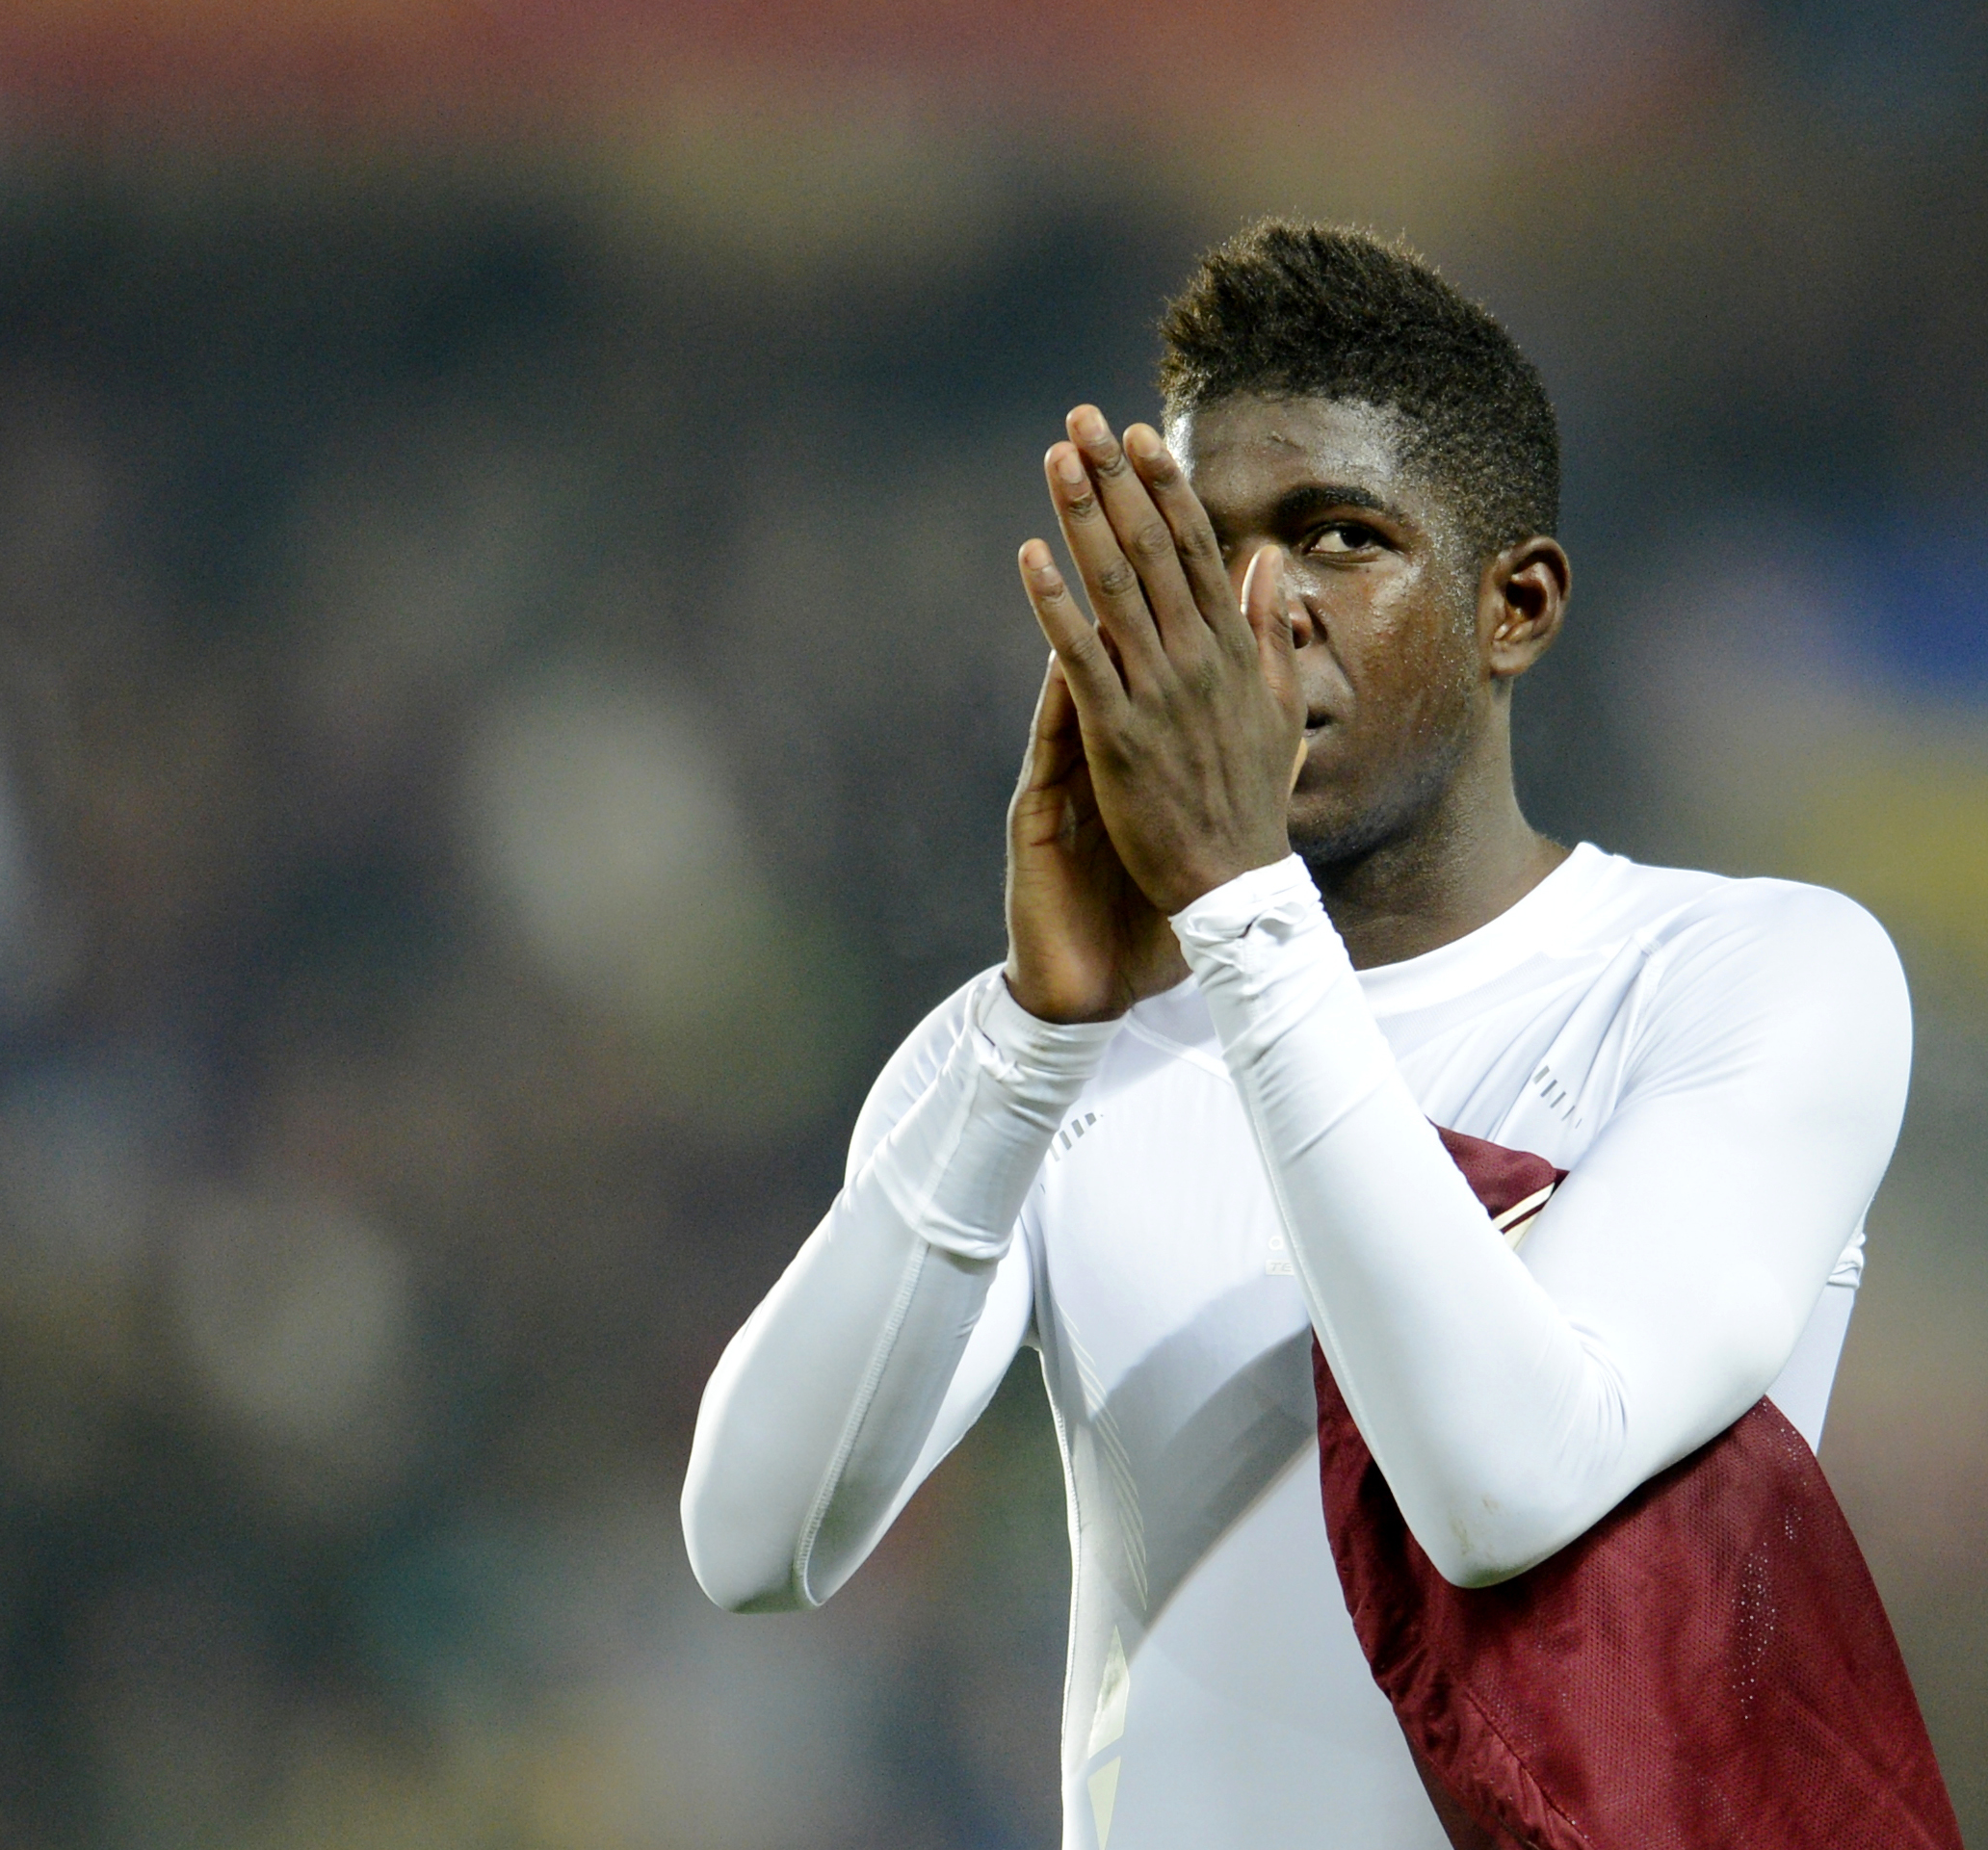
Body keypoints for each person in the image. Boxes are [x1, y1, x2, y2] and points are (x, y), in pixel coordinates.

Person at [680, 221, 1918, 1850]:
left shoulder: (1743, 973)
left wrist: (1240, 908)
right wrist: (1035, 1036)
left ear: (1515, 607)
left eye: (1339, 538)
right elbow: (757, 1543)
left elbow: (1502, 1485)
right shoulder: (1061, 1055)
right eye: (1205, 551)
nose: (1257, 613)